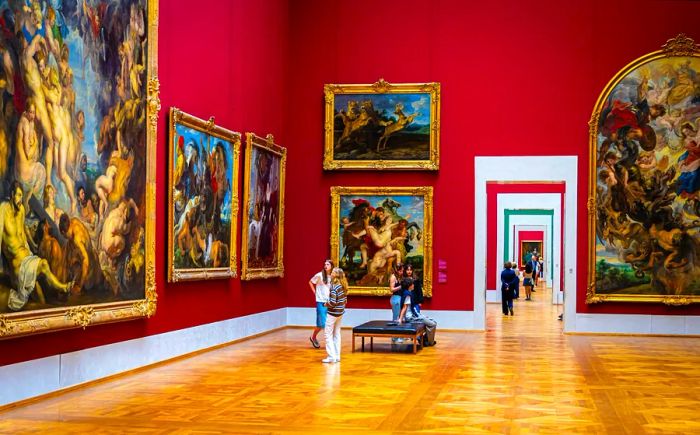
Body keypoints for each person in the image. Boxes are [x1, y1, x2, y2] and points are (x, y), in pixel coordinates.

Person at [2, 181, 73, 310]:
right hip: (18, 266)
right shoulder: (3, 211)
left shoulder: (21, 210)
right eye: (18, 195)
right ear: (12, 194)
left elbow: (23, 231)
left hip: (27, 259)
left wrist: (33, 245)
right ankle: (63, 288)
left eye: (21, 196)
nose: (20, 199)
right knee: (42, 271)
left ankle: (55, 298)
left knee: (40, 287)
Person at [323, 267, 347, 363]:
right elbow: (344, 300)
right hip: (340, 312)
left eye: (333, 272)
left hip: (333, 313)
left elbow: (333, 302)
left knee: (327, 334)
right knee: (337, 334)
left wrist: (326, 304)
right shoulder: (342, 285)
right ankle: (337, 356)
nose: (331, 272)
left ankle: (331, 356)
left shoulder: (334, 286)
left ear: (336, 275)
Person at [308, 259, 333, 349]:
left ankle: (315, 338)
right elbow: (310, 282)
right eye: (325, 264)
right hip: (321, 301)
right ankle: (314, 337)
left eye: (328, 264)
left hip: (329, 302)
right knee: (322, 324)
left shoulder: (333, 276)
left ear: (331, 266)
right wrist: (315, 292)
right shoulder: (319, 275)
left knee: (328, 322)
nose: (326, 266)